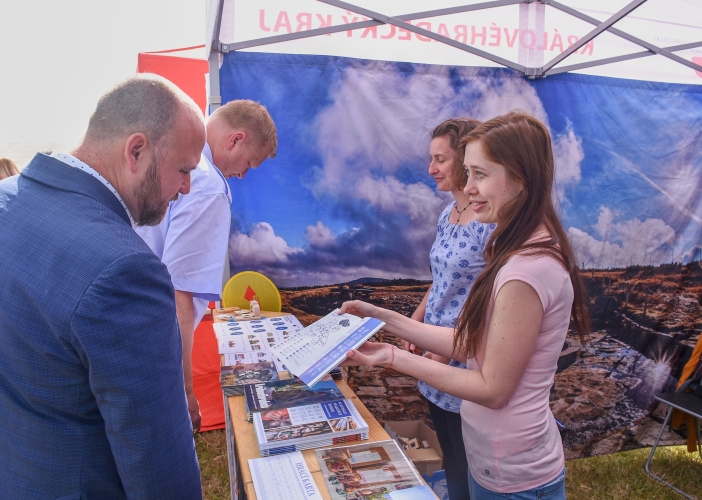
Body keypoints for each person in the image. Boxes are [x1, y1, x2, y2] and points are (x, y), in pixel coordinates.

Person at [340, 112, 589, 500]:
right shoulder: (516, 254)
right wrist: (383, 317)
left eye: (480, 174)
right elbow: (473, 342)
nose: (469, 188)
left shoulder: (526, 271)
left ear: (521, 179)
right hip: (495, 465)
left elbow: (492, 388)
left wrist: (390, 356)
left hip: (514, 477)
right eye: (468, 173)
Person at [0, 74, 206, 499]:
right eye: (183, 170)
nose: (186, 188)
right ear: (136, 151)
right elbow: (159, 467)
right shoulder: (125, 270)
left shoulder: (7, 198)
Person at [136, 99, 277, 431]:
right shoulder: (210, 187)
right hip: (151, 341)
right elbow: (179, 294)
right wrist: (185, 390)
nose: (242, 174)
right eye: (248, 163)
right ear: (235, 140)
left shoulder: (177, 164)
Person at [405, 118, 494, 500]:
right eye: (431, 159)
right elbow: (441, 278)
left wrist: (444, 353)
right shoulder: (447, 215)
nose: (431, 169)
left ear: (465, 160)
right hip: (434, 350)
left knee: (467, 463)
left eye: (440, 159)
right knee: (450, 456)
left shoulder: (489, 224)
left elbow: (491, 298)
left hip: (464, 357)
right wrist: (416, 319)